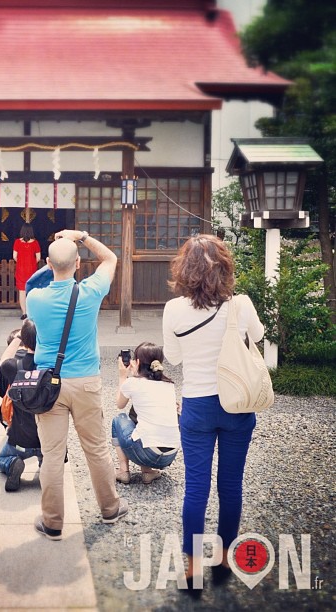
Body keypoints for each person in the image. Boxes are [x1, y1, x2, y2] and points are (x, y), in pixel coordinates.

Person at [162, 234, 264, 596]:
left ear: (184, 269)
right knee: (231, 485)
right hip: (237, 404)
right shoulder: (242, 304)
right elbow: (259, 336)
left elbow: (173, 357)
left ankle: (190, 571)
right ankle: (222, 561)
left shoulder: (173, 310)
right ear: (225, 267)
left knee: (196, 487)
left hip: (197, 406)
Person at [27, 229, 128, 541]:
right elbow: (111, 258)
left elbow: (38, 278)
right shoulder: (90, 292)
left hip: (49, 385)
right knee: (96, 449)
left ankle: (53, 522)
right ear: (79, 265)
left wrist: (54, 261)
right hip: (86, 381)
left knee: (53, 454)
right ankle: (110, 509)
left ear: (47, 263)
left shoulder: (35, 299)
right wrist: (81, 237)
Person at [113, 342, 180, 485]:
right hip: (169, 455)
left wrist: (122, 376)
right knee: (142, 417)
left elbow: (119, 404)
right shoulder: (169, 384)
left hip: (146, 453)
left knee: (119, 419)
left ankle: (123, 471)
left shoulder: (133, 383)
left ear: (137, 362)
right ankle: (148, 472)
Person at [0, 319, 43, 492]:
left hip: (21, 439)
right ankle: (46, 464)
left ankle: (13, 463)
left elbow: (4, 360)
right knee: (50, 452)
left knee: (2, 458)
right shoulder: (50, 367)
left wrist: (17, 338)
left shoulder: (15, 367)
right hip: (46, 439)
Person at [13, 223, 41, 320]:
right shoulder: (35, 243)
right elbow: (38, 258)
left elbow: (14, 256)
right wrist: (31, 262)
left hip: (21, 269)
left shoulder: (17, 242)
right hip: (31, 270)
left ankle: (24, 313)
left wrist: (21, 261)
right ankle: (30, 313)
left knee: (22, 291)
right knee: (31, 291)